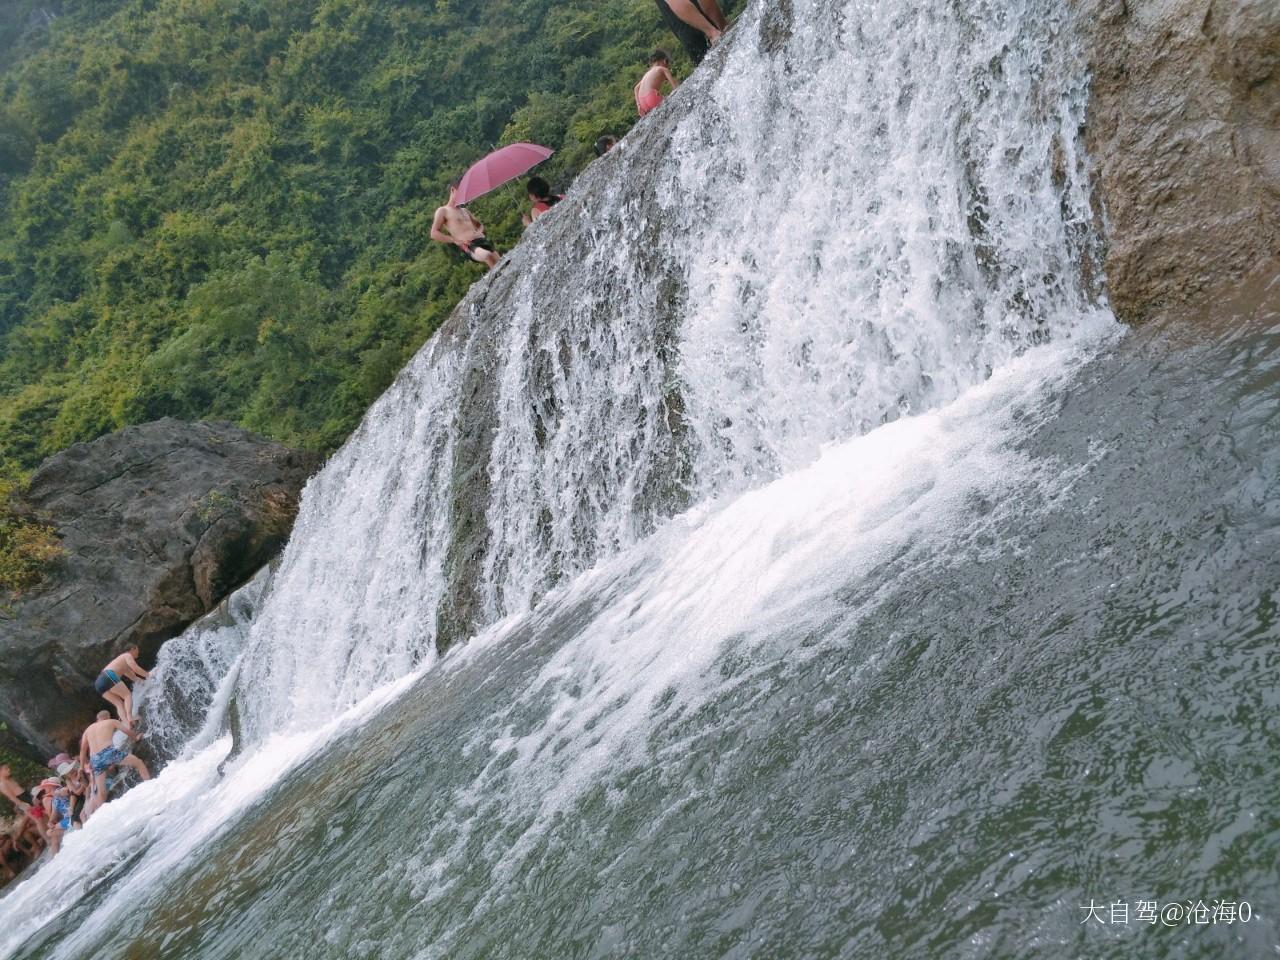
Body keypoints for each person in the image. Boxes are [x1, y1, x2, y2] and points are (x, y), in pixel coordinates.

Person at [79, 711, 149, 820]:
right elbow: (127, 731)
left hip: (95, 759)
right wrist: (136, 738)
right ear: (108, 717)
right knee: (138, 763)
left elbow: (83, 749)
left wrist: (81, 767)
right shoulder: (111, 721)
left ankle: (100, 817)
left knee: (101, 792)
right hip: (109, 753)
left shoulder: (88, 729)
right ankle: (149, 784)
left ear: (97, 719)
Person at [430, 182, 500, 269]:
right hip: (469, 244)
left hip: (481, 240)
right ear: (453, 190)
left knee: (500, 263)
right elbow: (434, 233)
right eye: (461, 191)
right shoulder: (443, 210)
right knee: (487, 255)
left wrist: (480, 232)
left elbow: (479, 225)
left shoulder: (465, 210)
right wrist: (454, 240)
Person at [94, 643, 149, 726]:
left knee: (119, 703)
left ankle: (127, 724)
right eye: (137, 650)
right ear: (132, 649)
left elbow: (134, 677)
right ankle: (130, 717)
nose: (138, 653)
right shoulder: (127, 655)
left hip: (98, 683)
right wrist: (149, 675)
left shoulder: (122, 665)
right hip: (108, 675)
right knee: (127, 695)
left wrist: (145, 682)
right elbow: (135, 668)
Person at [635, 50, 678, 117]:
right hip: (652, 96)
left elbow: (636, 88)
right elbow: (675, 87)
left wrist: (638, 105)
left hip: (642, 102)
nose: (667, 65)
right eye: (667, 62)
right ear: (664, 60)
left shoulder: (647, 73)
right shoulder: (663, 69)